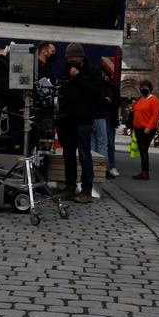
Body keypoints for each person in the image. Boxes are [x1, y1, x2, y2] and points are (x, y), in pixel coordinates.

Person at [57, 42, 104, 204]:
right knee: (68, 155)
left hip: (84, 119)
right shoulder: (65, 69)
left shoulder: (92, 71)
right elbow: (62, 91)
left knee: (84, 155)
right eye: (68, 57)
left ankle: (86, 190)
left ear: (80, 56)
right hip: (67, 119)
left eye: (73, 57)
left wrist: (78, 77)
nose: (70, 60)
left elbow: (95, 93)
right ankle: (69, 187)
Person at [130, 81, 159, 180]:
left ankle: (145, 172)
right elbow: (136, 111)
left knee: (143, 150)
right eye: (142, 86)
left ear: (150, 88)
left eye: (146, 87)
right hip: (138, 128)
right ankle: (144, 171)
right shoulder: (140, 99)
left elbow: (155, 115)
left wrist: (149, 127)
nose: (144, 88)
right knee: (143, 150)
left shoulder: (154, 99)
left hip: (147, 129)